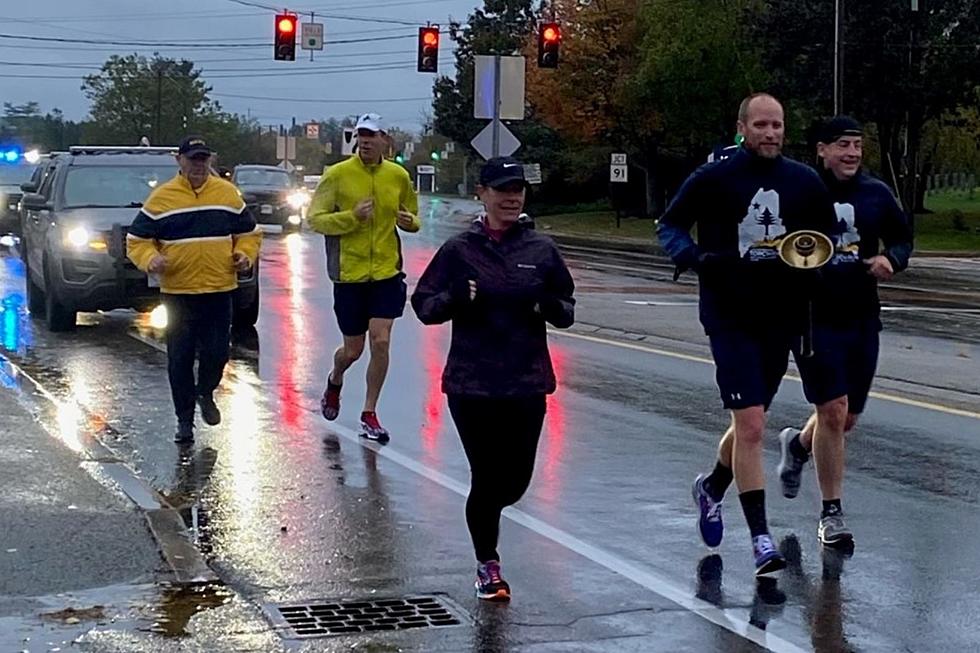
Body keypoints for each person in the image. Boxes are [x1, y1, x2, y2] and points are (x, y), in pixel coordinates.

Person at [657, 93, 839, 576]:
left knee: (749, 423)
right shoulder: (714, 177)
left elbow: (824, 240)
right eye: (761, 125)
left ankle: (712, 487)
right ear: (743, 127)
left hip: (781, 316)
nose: (771, 133)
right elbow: (670, 225)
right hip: (729, 313)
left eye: (778, 125)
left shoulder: (803, 181)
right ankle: (761, 539)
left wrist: (816, 267)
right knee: (754, 425)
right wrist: (694, 258)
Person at [411, 157, 575, 601]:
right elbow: (424, 306)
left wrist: (550, 305)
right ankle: (488, 563)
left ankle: (484, 516)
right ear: (481, 194)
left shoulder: (540, 250)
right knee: (486, 477)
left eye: (518, 189)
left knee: (515, 481)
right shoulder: (460, 250)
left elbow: (567, 307)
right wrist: (455, 299)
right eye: (502, 189)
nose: (511, 197)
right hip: (473, 385)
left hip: (526, 382)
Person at [776, 116, 913, 547]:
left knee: (847, 417)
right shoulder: (799, 190)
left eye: (857, 145)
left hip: (861, 316)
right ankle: (831, 514)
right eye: (842, 145)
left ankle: (798, 447)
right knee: (832, 410)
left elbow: (903, 237)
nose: (852, 153)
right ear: (821, 150)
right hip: (814, 317)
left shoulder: (875, 193)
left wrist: (892, 259)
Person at [127, 136, 261, 444]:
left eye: (203, 159)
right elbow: (136, 240)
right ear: (179, 160)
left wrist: (244, 254)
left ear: (210, 161)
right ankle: (184, 421)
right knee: (181, 358)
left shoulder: (227, 194)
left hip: (218, 288)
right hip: (179, 292)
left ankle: (205, 392)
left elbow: (249, 233)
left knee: (217, 353)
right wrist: (151, 259)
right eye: (192, 159)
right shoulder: (162, 198)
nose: (198, 166)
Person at [307, 113, 420, 443]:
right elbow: (315, 219)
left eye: (373, 135)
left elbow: (414, 219)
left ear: (386, 139)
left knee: (381, 340)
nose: (366, 141)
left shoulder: (397, 175)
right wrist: (351, 218)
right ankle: (335, 378)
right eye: (362, 135)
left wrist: (407, 220)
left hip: (386, 272)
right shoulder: (338, 175)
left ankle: (369, 413)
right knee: (352, 351)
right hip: (349, 275)